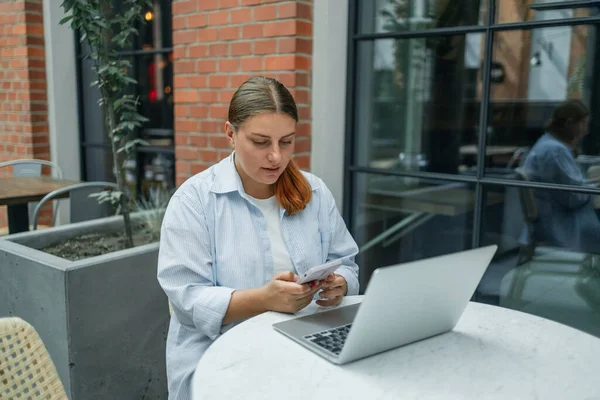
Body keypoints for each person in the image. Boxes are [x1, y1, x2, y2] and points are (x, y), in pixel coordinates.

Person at [157, 76, 360, 398]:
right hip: (221, 358)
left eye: (287, 142)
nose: (276, 157)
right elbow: (187, 301)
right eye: (261, 142)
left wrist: (341, 283)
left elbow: (347, 262)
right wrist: (264, 299)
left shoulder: (315, 192)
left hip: (303, 347)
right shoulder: (195, 201)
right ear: (230, 134)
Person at [521, 99, 600, 253]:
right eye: (583, 124)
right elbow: (572, 198)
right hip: (560, 225)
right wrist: (594, 188)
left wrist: (593, 185)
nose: (586, 131)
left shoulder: (548, 144)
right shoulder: (555, 151)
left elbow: (570, 187)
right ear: (570, 123)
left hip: (553, 217)